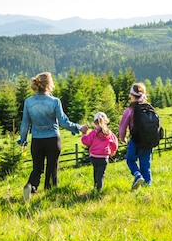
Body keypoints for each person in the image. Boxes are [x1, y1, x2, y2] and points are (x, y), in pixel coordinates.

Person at [18, 72, 87, 202]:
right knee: (52, 167)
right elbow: (63, 122)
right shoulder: (55, 101)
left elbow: (25, 124)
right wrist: (78, 127)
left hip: (37, 141)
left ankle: (31, 186)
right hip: (52, 139)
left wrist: (23, 140)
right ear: (49, 84)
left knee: (37, 168)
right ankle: (49, 195)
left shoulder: (28, 102)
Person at [119, 82, 153, 190]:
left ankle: (137, 175)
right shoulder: (148, 108)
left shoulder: (129, 110)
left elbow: (122, 126)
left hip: (135, 140)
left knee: (130, 160)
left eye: (130, 94)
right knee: (145, 165)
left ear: (133, 96)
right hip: (148, 141)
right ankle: (147, 186)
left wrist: (122, 137)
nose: (129, 96)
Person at [81, 111, 119, 192]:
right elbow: (115, 144)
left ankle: (95, 187)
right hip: (104, 157)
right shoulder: (109, 133)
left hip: (94, 157)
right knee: (101, 174)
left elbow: (86, 141)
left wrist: (84, 134)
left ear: (95, 123)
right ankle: (99, 190)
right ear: (106, 121)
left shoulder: (93, 133)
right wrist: (112, 150)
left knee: (96, 171)